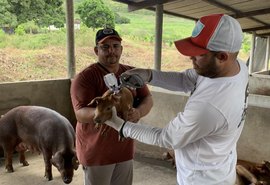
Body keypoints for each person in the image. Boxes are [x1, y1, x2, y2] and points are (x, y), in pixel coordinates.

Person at [104, 14, 249, 185]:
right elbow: (187, 79)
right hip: (219, 165)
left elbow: (165, 138)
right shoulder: (237, 66)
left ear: (222, 57)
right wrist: (149, 75)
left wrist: (120, 126)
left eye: (198, 54)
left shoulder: (208, 108)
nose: (190, 58)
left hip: (202, 179)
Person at [70, 28, 153, 185]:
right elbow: (80, 113)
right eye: (105, 47)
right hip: (96, 153)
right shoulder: (85, 77)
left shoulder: (130, 73)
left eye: (115, 46)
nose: (111, 51)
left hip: (124, 149)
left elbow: (147, 97)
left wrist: (138, 112)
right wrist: (105, 112)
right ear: (96, 50)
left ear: (121, 49)